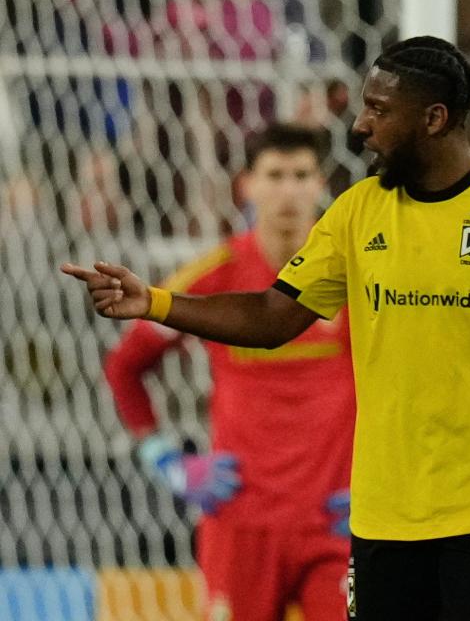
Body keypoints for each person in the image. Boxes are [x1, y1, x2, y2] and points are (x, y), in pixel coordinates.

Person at [63, 36, 470, 621]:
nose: (361, 125)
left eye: (379, 110)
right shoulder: (354, 216)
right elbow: (270, 317)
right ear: (248, 185)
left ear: (434, 118)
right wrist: (157, 308)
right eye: (276, 174)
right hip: (355, 522)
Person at [104, 123, 355, 621]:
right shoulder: (215, 274)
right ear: (248, 185)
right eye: (276, 174)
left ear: (321, 183)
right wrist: (168, 460)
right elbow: (125, 366)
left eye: (302, 174)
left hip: (334, 522)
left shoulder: (354, 274)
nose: (289, 189)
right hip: (240, 521)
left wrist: (378, 479)